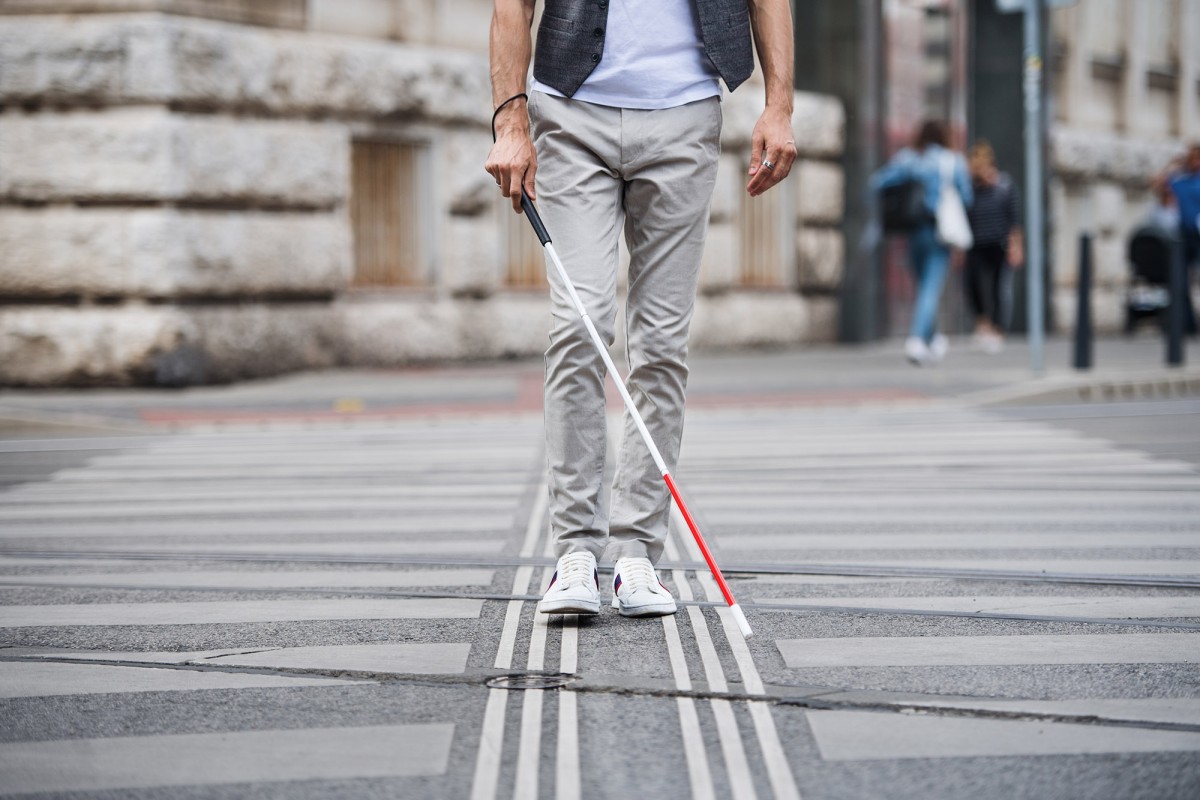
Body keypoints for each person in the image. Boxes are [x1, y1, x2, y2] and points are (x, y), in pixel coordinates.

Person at [485, 0, 797, 618]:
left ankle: (636, 555)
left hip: (684, 114)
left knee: (659, 344)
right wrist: (510, 123)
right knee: (582, 325)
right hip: (570, 113)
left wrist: (779, 106)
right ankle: (575, 550)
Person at [873, 120, 973, 365]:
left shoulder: (907, 158)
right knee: (930, 287)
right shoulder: (951, 161)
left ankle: (933, 339)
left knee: (924, 286)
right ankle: (917, 340)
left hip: (912, 231)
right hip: (939, 233)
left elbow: (878, 182)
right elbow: (967, 197)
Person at [964, 140, 1022, 354]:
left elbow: (1014, 219)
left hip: (999, 243)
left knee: (1000, 288)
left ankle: (998, 330)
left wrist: (1016, 247)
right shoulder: (970, 188)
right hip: (975, 244)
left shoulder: (1004, 185)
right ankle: (982, 324)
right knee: (974, 287)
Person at [1163, 144, 1200, 335]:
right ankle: (1188, 323)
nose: (1195, 162)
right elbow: (1160, 182)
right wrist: (1174, 164)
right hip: (1185, 235)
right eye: (1192, 158)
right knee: (1181, 280)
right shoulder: (1182, 181)